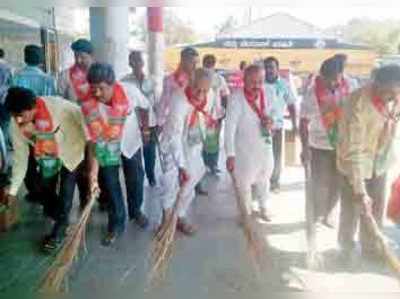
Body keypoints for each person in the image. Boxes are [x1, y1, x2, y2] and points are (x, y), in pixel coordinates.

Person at [4, 87, 96, 251]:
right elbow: (20, 158)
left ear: (32, 107)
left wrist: (91, 165)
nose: (17, 120)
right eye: (14, 116)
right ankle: (61, 217)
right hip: (47, 157)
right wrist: (12, 191)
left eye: (20, 115)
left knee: (66, 192)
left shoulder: (59, 107)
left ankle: (59, 232)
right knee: (43, 188)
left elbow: (85, 123)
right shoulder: (16, 123)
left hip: (71, 151)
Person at [336, 64, 400, 261]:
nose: (393, 97)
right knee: (353, 208)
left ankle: (372, 250)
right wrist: (360, 190)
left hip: (379, 162)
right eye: (389, 93)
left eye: (396, 93)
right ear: (377, 85)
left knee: (376, 208)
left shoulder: (394, 96)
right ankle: (346, 249)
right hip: (355, 164)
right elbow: (353, 151)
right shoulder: (357, 104)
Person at [86, 63, 150, 245]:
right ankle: (116, 223)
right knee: (111, 183)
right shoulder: (89, 105)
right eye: (93, 89)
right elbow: (92, 140)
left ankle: (136, 211)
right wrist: (92, 174)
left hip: (130, 142)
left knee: (136, 178)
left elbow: (145, 107)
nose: (97, 93)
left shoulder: (130, 92)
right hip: (106, 147)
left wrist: (145, 129)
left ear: (113, 84)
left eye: (101, 88)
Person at [300, 57, 355, 230]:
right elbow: (303, 122)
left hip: (343, 145)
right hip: (319, 146)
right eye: (328, 79)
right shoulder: (312, 93)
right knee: (319, 183)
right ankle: (317, 214)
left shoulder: (351, 86)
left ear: (341, 75)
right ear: (322, 76)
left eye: (335, 79)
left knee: (338, 182)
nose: (332, 83)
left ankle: (329, 214)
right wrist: (304, 148)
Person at [157, 68, 213, 236]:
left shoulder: (208, 97)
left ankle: (179, 216)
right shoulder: (179, 100)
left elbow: (208, 116)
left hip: (193, 145)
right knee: (170, 184)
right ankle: (166, 221)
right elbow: (174, 136)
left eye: (205, 90)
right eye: (197, 88)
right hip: (173, 146)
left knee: (190, 183)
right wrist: (181, 166)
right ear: (190, 83)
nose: (201, 94)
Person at [225, 64, 274, 221]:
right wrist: (230, 154)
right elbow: (229, 128)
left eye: (260, 81)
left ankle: (264, 207)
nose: (257, 85)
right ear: (244, 80)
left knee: (264, 178)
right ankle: (245, 213)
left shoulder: (268, 93)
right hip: (244, 150)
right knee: (244, 183)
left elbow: (273, 116)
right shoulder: (236, 98)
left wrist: (271, 122)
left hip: (265, 145)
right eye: (253, 82)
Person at [58, 38, 96, 209]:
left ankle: (97, 198)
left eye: (83, 57)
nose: (79, 60)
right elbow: (59, 101)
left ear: (91, 55)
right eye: (76, 56)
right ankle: (84, 199)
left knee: (95, 167)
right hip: (74, 130)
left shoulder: (99, 74)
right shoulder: (65, 76)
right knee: (76, 166)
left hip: (97, 130)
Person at [121, 50, 157, 186]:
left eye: (139, 60)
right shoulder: (124, 81)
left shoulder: (151, 80)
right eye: (133, 60)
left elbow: (155, 102)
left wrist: (159, 123)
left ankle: (151, 176)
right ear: (130, 63)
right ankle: (139, 178)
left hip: (151, 122)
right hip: (133, 126)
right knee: (135, 152)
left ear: (143, 62)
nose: (136, 63)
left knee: (150, 153)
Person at [263, 57, 298, 193]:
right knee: (261, 154)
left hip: (277, 127)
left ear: (277, 68)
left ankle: (274, 182)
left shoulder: (284, 84)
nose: (269, 70)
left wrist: (295, 124)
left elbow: (291, 105)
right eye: (266, 67)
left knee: (276, 156)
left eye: (271, 67)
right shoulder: (259, 83)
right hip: (259, 126)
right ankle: (261, 181)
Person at [157, 47, 199, 129]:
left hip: (194, 123)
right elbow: (164, 102)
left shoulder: (198, 80)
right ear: (183, 61)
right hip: (175, 123)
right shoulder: (170, 80)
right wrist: (160, 122)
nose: (194, 66)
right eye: (191, 62)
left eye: (196, 63)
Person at [202, 54, 230, 175]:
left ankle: (213, 164)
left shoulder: (219, 79)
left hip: (216, 115)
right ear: (203, 64)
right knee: (202, 139)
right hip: (201, 115)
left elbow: (225, 95)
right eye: (207, 62)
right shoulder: (198, 77)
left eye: (211, 63)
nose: (209, 65)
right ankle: (202, 165)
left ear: (214, 64)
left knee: (215, 140)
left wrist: (224, 111)